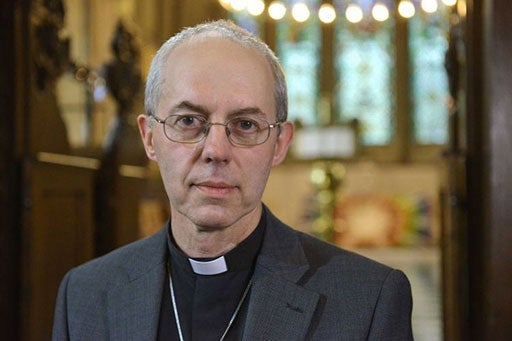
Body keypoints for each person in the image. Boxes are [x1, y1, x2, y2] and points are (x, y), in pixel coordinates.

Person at [52, 20, 413, 340]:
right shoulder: (85, 296)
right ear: (149, 138)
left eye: (245, 125)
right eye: (189, 121)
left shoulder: (367, 302)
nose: (216, 150)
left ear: (279, 144)